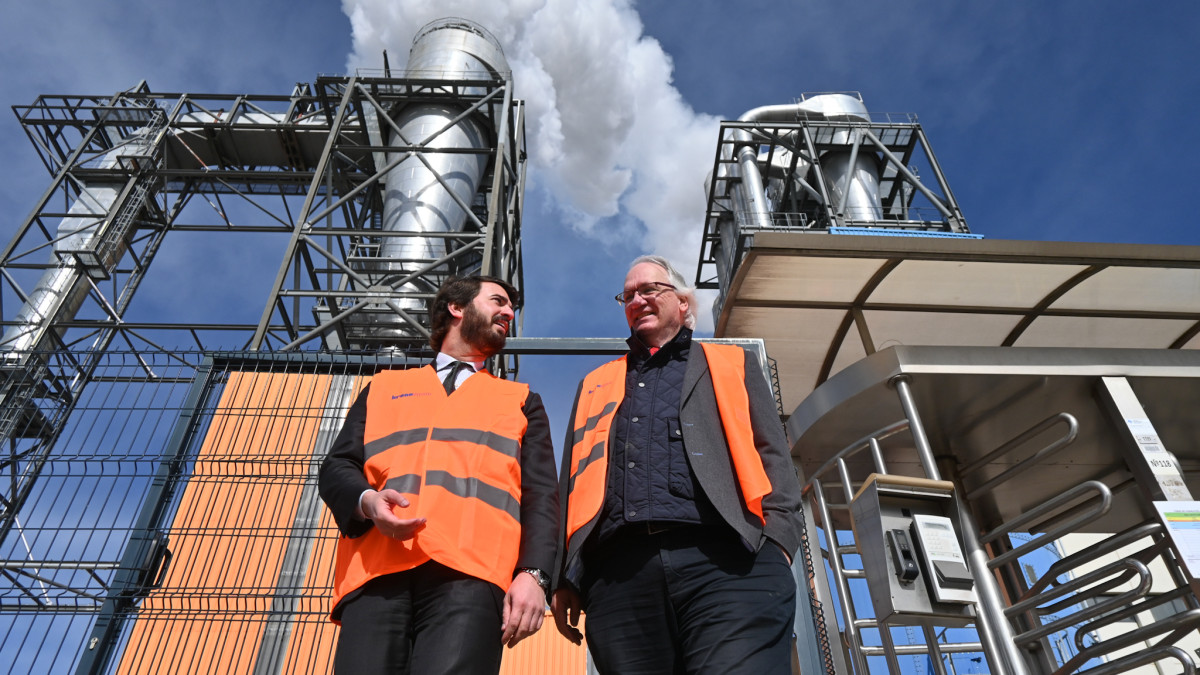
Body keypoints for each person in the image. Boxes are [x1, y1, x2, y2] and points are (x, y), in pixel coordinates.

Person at [551, 255, 804, 674]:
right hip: (620, 578)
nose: (637, 299)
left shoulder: (731, 364)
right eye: (628, 295)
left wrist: (778, 541)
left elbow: (772, 451)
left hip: (730, 562)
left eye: (650, 289)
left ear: (683, 303)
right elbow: (572, 479)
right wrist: (565, 575)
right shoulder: (595, 384)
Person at [319, 275, 558, 675]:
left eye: (511, 308)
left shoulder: (520, 400)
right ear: (456, 308)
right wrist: (368, 501)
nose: (509, 313)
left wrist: (534, 575)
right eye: (497, 301)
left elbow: (541, 497)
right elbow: (337, 467)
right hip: (377, 572)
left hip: (474, 576)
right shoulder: (383, 388)